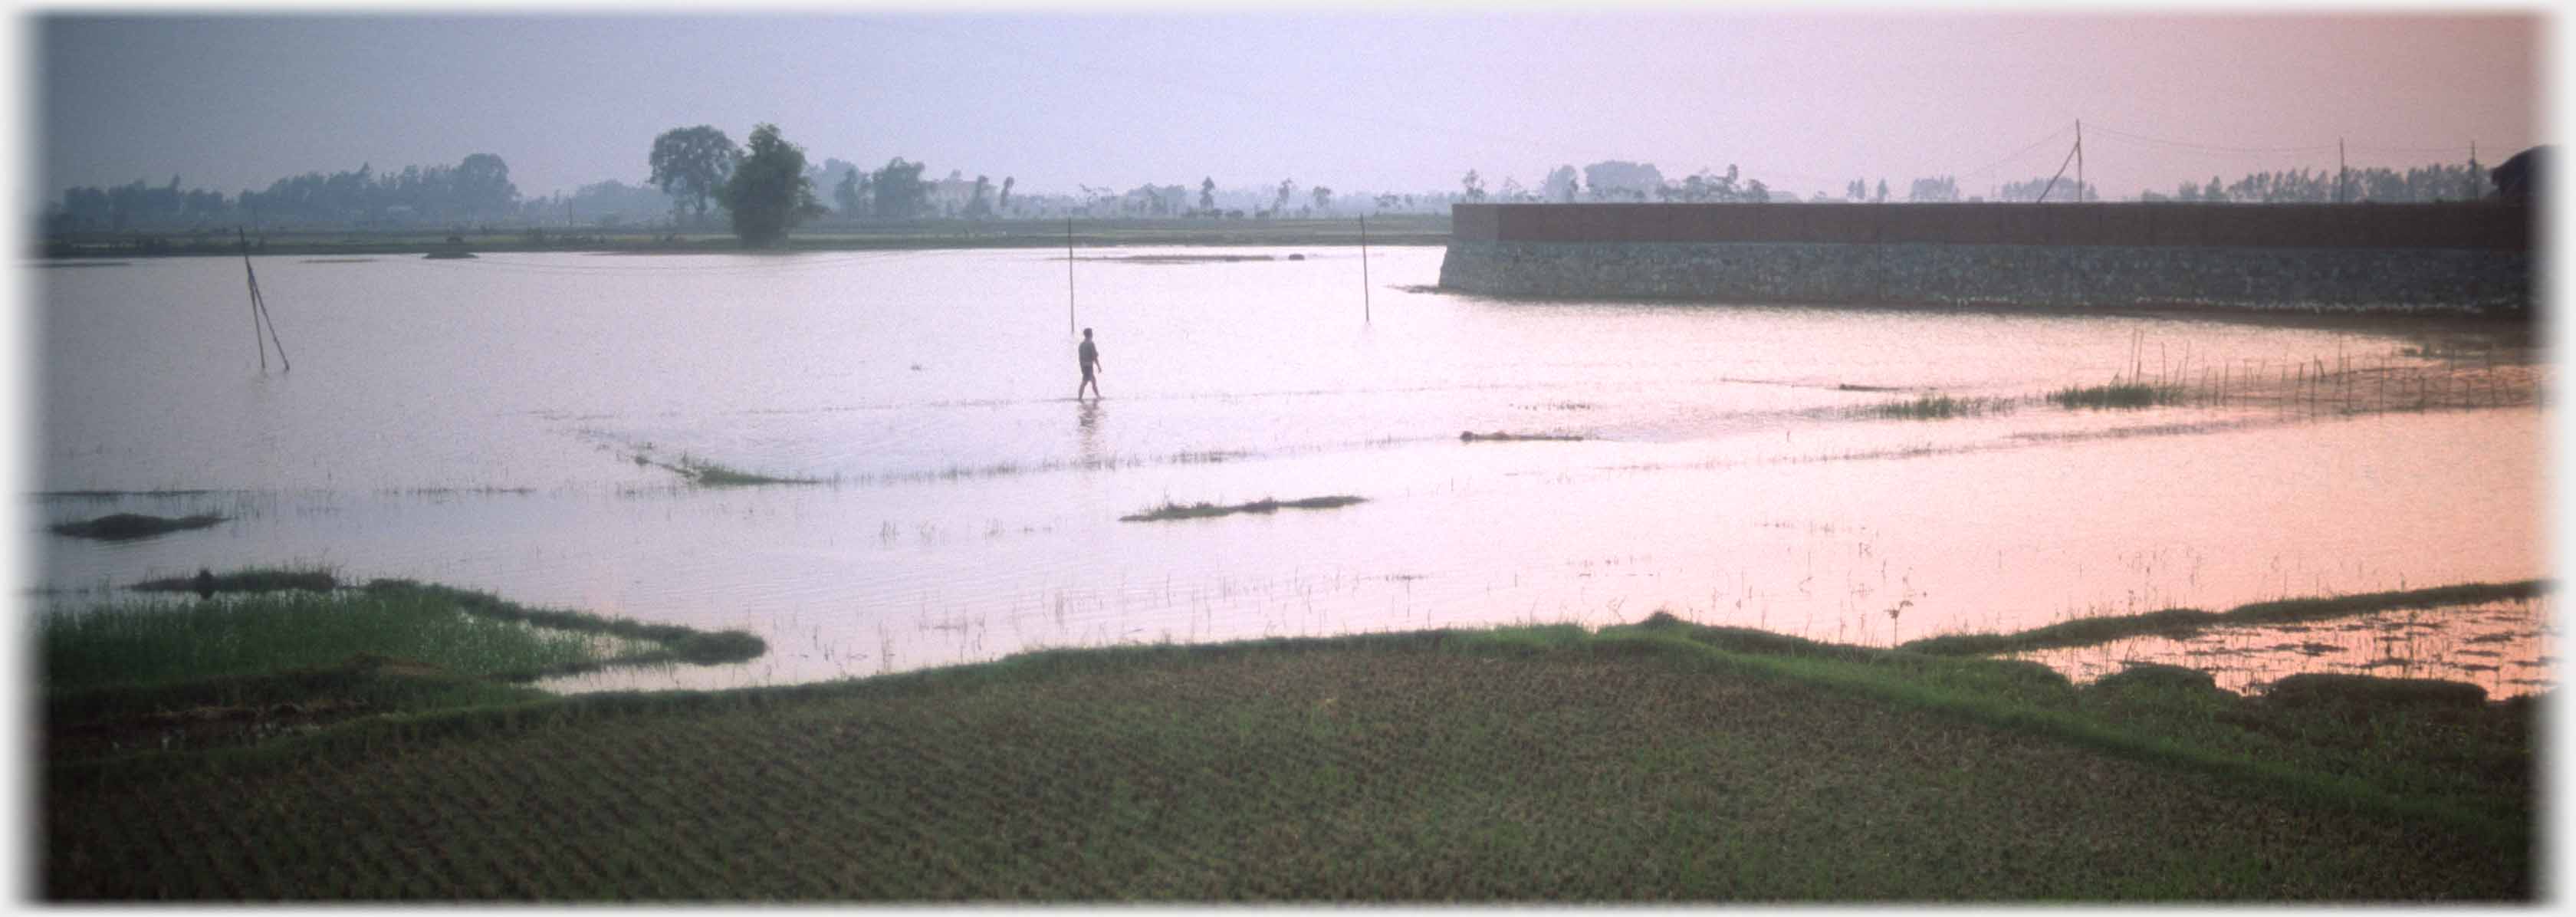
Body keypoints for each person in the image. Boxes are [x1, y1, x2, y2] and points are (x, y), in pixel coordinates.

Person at [1076, 327, 1104, 400]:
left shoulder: (1081, 345)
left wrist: (1082, 366)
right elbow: (1094, 356)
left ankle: (1081, 398)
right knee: (1088, 382)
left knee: (1090, 381)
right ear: (1091, 334)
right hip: (1088, 366)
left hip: (1083, 366)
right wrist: (1099, 367)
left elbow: (1080, 357)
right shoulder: (1091, 344)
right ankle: (1097, 397)